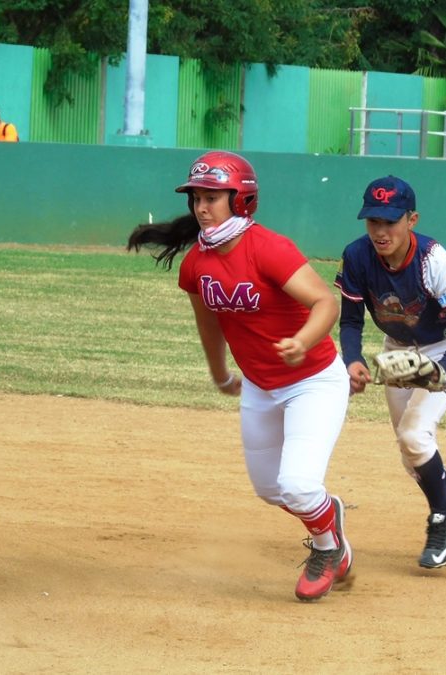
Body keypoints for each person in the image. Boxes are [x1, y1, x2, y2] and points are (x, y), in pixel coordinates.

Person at [126, 151, 352, 601]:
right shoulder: (197, 264)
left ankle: (329, 549)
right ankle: (328, 515)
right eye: (197, 198)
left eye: (213, 197)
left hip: (314, 380)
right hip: (260, 387)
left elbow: (326, 303)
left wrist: (303, 341)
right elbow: (208, 323)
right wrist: (219, 373)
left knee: (298, 485)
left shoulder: (268, 248)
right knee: (271, 490)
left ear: (242, 200)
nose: (202, 207)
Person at [335, 175, 446, 569]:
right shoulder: (357, 256)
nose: (381, 231)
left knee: (416, 436)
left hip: (445, 351)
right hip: (397, 351)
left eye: (391, 221)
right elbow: (350, 322)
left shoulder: (433, 260)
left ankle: (442, 521)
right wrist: (352, 360)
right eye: (373, 222)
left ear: (411, 220)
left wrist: (442, 371)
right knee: (410, 454)